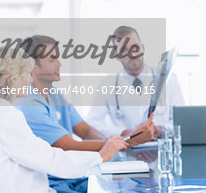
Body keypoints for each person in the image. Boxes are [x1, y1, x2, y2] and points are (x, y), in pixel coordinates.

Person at [0, 46, 128, 193]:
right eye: (26, 73)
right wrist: (101, 156)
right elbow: (49, 159)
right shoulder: (6, 117)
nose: (29, 79)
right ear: (12, 77)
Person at [14, 35, 138, 192]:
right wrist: (112, 145)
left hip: (72, 176)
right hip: (51, 182)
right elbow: (68, 146)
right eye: (52, 59)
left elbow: (85, 130)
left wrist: (110, 142)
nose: (59, 64)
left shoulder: (54, 94)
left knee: (130, 187)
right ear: (33, 67)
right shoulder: (29, 104)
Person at [87, 26, 185, 140]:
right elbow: (92, 124)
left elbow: (182, 121)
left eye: (135, 47)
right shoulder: (106, 84)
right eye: (124, 50)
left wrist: (159, 130)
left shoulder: (168, 79)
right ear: (117, 56)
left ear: (143, 48)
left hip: (160, 152)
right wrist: (126, 133)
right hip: (125, 155)